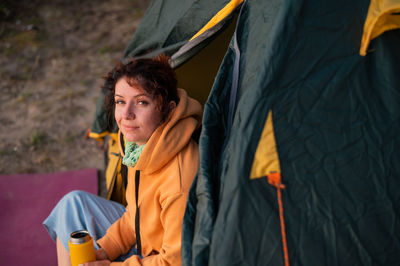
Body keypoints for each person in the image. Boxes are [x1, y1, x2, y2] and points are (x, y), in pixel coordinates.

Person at [43, 55, 202, 265]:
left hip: (160, 259)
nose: (126, 114)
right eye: (120, 101)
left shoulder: (179, 180)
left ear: (168, 109)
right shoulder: (140, 146)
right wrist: (105, 250)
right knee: (72, 203)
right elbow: (136, 215)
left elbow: (175, 261)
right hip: (145, 242)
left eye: (141, 102)